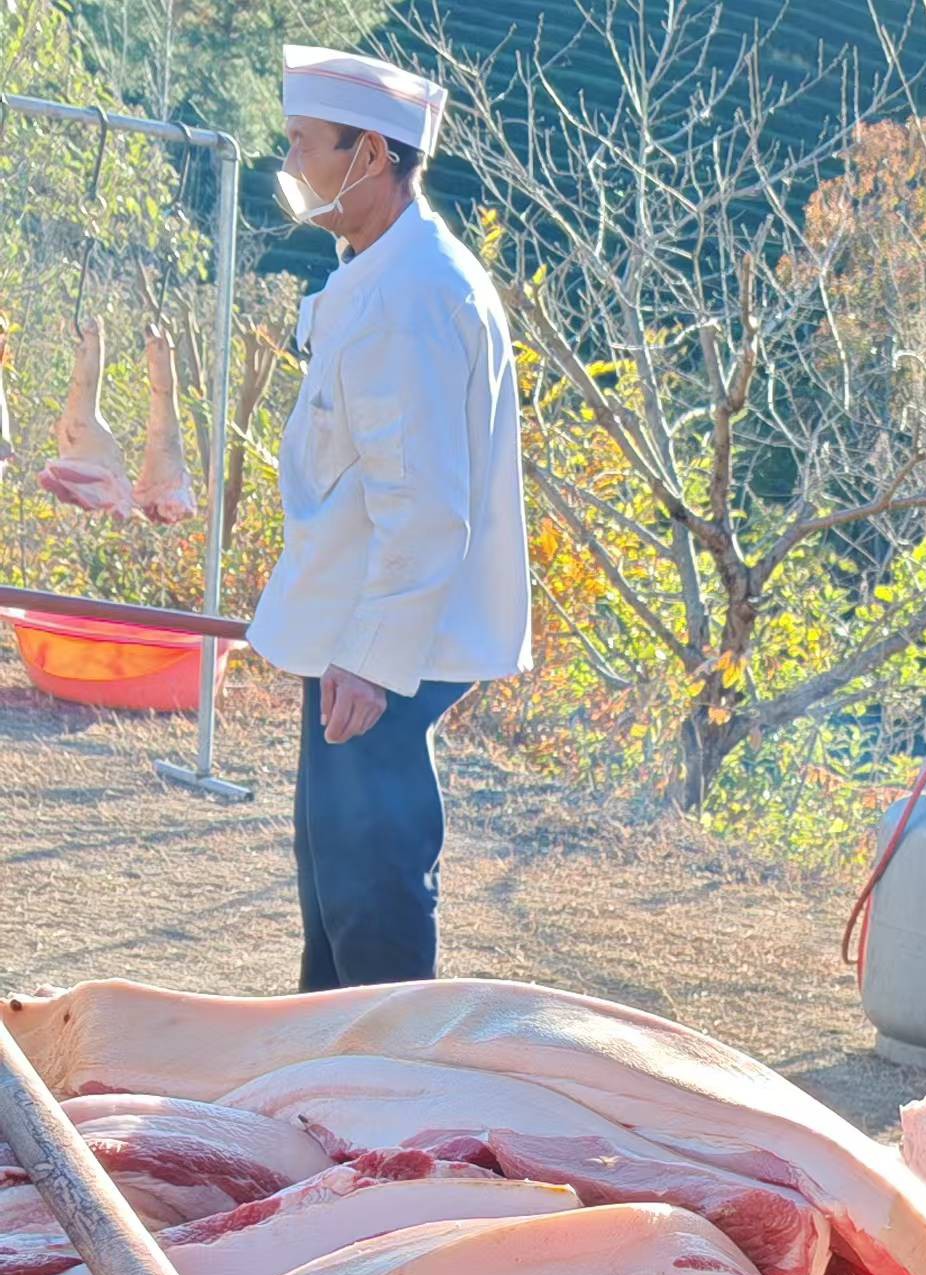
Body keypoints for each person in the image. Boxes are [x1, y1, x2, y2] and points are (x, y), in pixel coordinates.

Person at [247, 47, 528, 991]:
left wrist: (373, 653)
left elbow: (428, 506)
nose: (291, 166)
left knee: (369, 896)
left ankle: (385, 1100)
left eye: (302, 145)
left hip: (386, 643)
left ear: (368, 155)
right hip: (359, 628)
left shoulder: (413, 297)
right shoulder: (381, 269)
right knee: (335, 884)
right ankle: (327, 1079)